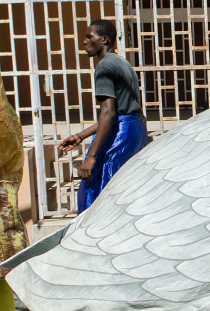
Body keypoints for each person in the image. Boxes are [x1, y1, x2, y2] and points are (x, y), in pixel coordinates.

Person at [59, 20, 149, 213]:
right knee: (124, 188)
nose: (84, 42)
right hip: (135, 129)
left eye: (89, 37)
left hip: (121, 132)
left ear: (104, 39)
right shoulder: (121, 62)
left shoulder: (104, 67)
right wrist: (80, 136)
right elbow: (118, 113)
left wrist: (91, 157)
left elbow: (108, 113)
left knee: (97, 190)